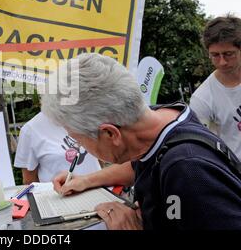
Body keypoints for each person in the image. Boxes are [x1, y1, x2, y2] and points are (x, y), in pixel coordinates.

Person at [42, 53, 241, 230]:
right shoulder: (159, 121)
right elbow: (138, 162)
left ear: (111, 134)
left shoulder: (185, 170)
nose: (81, 147)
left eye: (79, 141)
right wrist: (86, 180)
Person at [190, 15, 241, 158]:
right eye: (215, 55)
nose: (222, 62)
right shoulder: (202, 98)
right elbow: (201, 148)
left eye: (228, 54)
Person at [13, 112, 101, 184]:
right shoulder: (30, 130)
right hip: (61, 200)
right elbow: (29, 181)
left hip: (100, 193)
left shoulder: (88, 116)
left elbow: (100, 160)